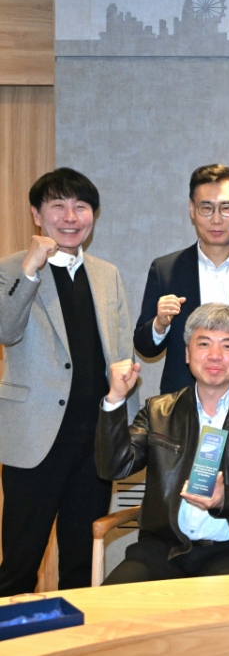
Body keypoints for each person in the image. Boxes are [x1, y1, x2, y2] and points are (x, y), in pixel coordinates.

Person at [0, 168, 135, 595]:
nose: (71, 216)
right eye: (58, 205)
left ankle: (77, 630)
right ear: (37, 214)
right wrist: (30, 269)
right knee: (20, 560)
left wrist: (123, 422)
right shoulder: (11, 269)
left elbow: (122, 351)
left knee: (82, 561)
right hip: (34, 438)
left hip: (94, 439)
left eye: (81, 206)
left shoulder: (106, 273)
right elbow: (5, 330)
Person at [96, 304, 229, 583]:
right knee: (113, 602)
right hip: (163, 547)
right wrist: (115, 400)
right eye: (204, 344)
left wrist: (227, 498)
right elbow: (113, 468)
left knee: (221, 608)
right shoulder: (158, 411)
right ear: (187, 354)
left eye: (228, 346)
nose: (215, 355)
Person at [134, 164, 229, 399]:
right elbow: (145, 347)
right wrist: (160, 324)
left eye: (226, 208)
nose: (216, 219)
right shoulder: (165, 270)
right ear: (192, 210)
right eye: (206, 208)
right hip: (182, 400)